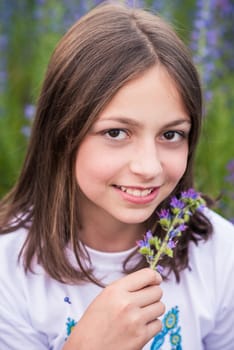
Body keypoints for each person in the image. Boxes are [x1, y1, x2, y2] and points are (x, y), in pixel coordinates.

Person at [0, 2, 234, 349]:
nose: (149, 167)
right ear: (64, 132)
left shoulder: (220, 255)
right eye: (116, 133)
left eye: (171, 135)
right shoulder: (9, 267)